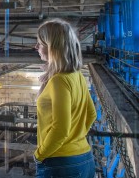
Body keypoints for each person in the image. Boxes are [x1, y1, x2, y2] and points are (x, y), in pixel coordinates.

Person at [33, 18, 97, 178]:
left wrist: (39, 155)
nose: (36, 47)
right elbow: (92, 114)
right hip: (85, 159)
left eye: (40, 43)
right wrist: (75, 139)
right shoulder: (77, 76)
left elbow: (60, 129)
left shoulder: (59, 80)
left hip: (60, 163)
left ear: (53, 47)